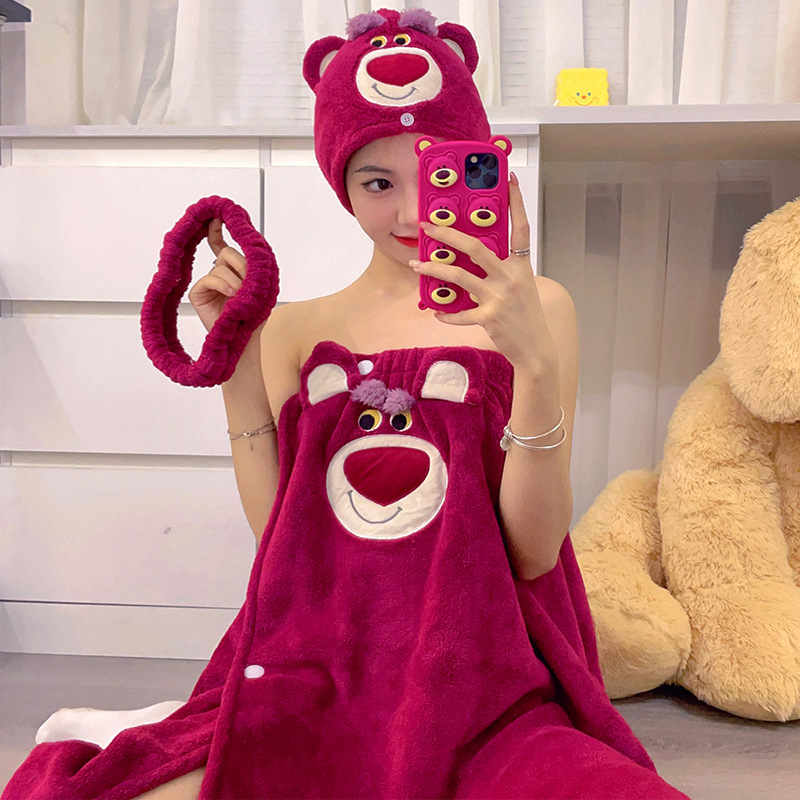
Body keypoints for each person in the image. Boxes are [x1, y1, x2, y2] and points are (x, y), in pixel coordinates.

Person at [3, 8, 691, 800]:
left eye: (434, 174)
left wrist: (531, 360)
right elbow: (282, 540)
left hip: (487, 676)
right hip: (318, 666)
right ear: (343, 189)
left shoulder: (541, 307)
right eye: (376, 183)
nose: (412, 214)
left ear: (480, 170)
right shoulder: (294, 329)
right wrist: (237, 364)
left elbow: (534, 554)